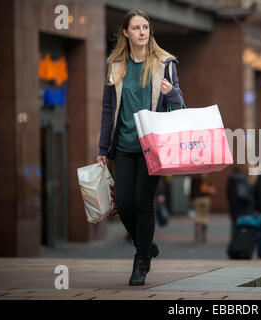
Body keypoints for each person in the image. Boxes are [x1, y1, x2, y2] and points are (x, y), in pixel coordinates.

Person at [96, 9, 185, 286]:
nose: (142, 32)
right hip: (122, 145)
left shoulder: (164, 63)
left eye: (146, 27)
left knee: (143, 202)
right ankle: (146, 245)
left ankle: (141, 260)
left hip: (152, 147)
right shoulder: (115, 65)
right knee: (122, 203)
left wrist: (171, 93)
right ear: (126, 32)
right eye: (136, 28)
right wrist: (102, 147)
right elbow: (108, 110)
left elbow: (180, 107)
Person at [227, 165, 254, 233]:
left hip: (234, 207)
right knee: (243, 227)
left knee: (235, 225)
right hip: (242, 207)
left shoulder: (231, 179)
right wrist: (251, 200)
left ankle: (235, 240)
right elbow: (242, 195)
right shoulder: (241, 180)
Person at [191, 173, 216, 243]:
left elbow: (192, 190)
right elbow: (211, 187)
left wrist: (191, 200)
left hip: (196, 199)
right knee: (205, 217)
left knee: (198, 217)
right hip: (205, 199)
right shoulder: (205, 178)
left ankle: (197, 236)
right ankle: (204, 236)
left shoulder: (194, 178)